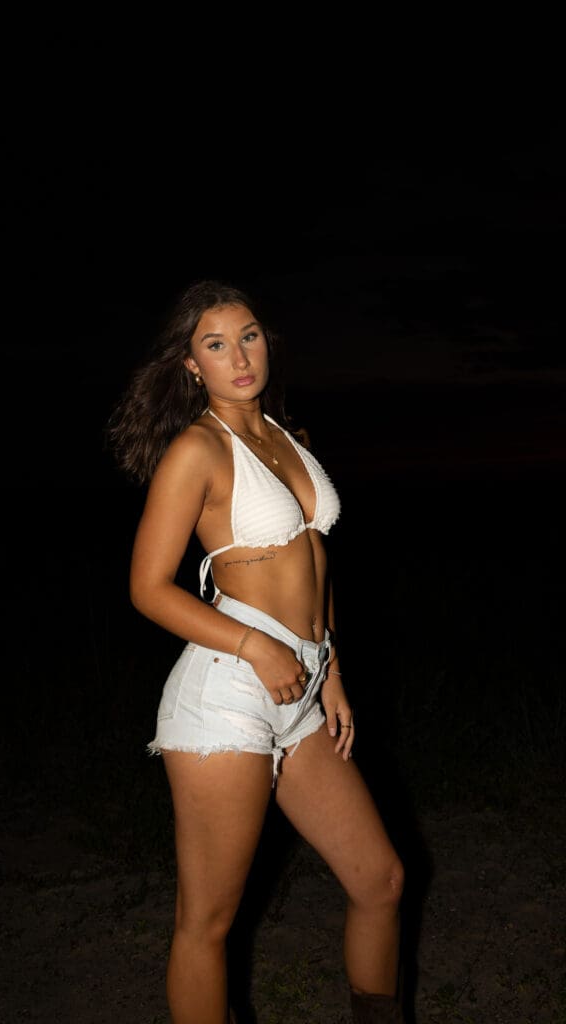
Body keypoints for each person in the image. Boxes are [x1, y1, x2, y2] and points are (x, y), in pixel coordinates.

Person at [106, 279, 406, 1023]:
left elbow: (314, 560)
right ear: (191, 365)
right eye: (216, 345)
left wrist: (330, 668)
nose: (239, 358)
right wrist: (256, 645)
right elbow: (147, 588)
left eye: (249, 337)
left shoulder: (286, 435)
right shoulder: (198, 449)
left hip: (301, 689)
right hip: (227, 694)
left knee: (381, 880)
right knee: (207, 923)